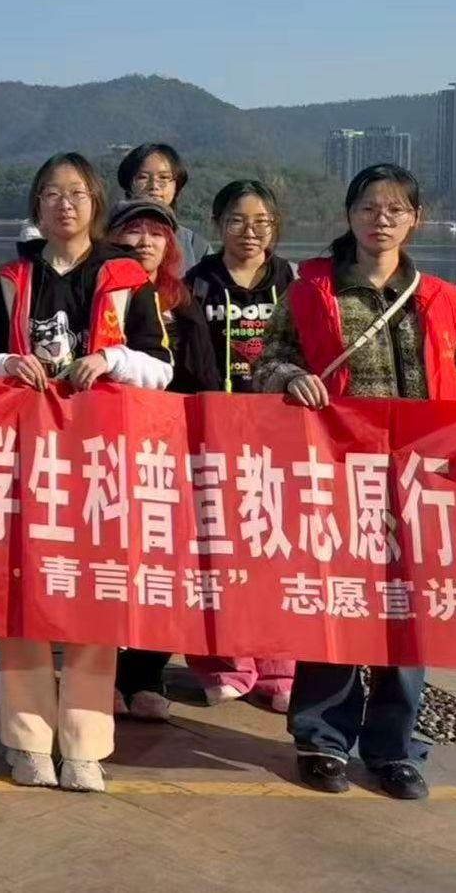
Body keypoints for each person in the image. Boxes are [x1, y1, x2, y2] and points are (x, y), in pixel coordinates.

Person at [0, 152, 173, 793]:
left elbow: (161, 368)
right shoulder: (12, 279)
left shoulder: (126, 276)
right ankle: (27, 739)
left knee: (94, 594)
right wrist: (7, 364)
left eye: (78, 193)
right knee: (23, 592)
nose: (65, 204)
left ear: (96, 204)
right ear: (37, 204)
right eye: (53, 193)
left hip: (100, 460)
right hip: (25, 458)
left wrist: (111, 359)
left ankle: (84, 745)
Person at [254, 163, 456, 801]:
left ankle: (395, 748)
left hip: (420, 480)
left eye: (395, 209)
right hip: (339, 473)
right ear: (349, 215)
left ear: (415, 219)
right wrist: (291, 379)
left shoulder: (441, 300)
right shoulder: (312, 291)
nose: (381, 219)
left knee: (410, 612)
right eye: (369, 207)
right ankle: (322, 739)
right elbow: (267, 362)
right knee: (338, 603)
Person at [105, 198, 223, 724]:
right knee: (109, 561)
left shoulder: (182, 301)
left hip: (167, 452)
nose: (144, 241)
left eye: (156, 232)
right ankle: (103, 673)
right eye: (133, 231)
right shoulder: (98, 294)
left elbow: (204, 377)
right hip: (107, 447)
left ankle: (147, 673)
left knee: (162, 566)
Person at [183, 180, 298, 709]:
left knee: (276, 548)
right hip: (214, 432)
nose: (249, 233)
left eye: (261, 222)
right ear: (217, 225)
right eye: (236, 220)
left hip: (278, 436)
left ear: (275, 227)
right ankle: (224, 662)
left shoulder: (293, 281)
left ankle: (279, 664)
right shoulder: (197, 283)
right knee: (217, 550)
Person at [118, 142, 206, 272]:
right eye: (143, 177)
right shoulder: (108, 237)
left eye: (164, 177)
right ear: (129, 184)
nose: (154, 186)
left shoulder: (194, 245)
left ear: (176, 186)